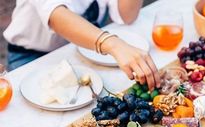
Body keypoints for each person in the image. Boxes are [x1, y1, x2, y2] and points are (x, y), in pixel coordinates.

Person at [4, 0, 160, 90]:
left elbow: (127, 15)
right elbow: (55, 15)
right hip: (33, 57)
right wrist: (115, 45)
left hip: (84, 52)